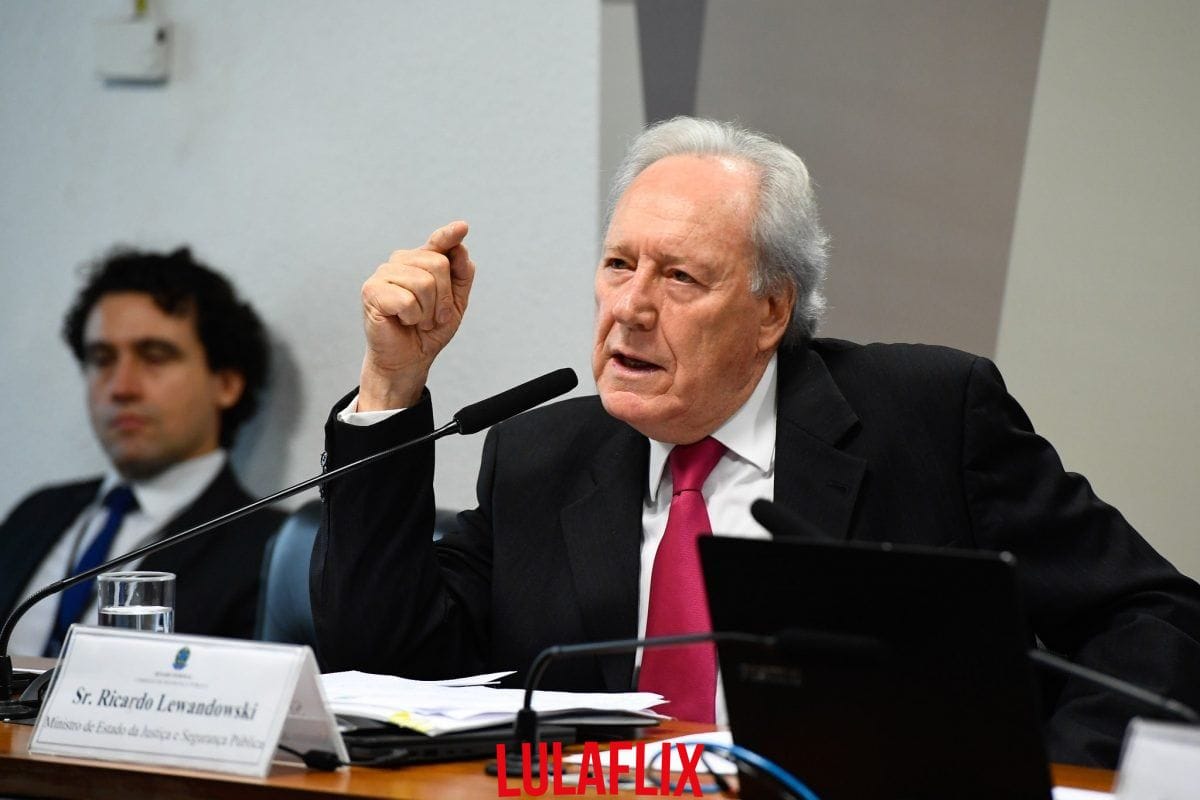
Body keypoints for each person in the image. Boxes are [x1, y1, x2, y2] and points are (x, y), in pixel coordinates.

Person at [310, 117, 1200, 768]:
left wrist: (1053, 774)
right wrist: (392, 382)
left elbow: (1152, 616)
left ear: (771, 311)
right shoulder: (541, 457)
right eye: (619, 264)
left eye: (680, 276)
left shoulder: (926, 416)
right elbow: (388, 662)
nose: (631, 307)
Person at [0, 247, 284, 655]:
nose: (121, 387)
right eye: (102, 359)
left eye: (154, 356)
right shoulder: (37, 513)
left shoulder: (272, 548)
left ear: (225, 384)